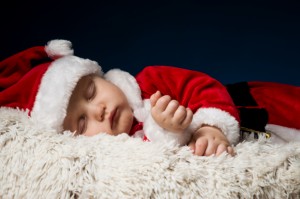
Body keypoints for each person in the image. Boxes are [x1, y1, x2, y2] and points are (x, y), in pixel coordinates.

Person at [1, 40, 299, 157]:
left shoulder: (150, 81)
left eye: (90, 93)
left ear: (99, 75)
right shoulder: (118, 154)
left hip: (259, 111)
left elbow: (201, 85)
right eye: (81, 122)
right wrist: (169, 133)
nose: (99, 111)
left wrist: (211, 128)